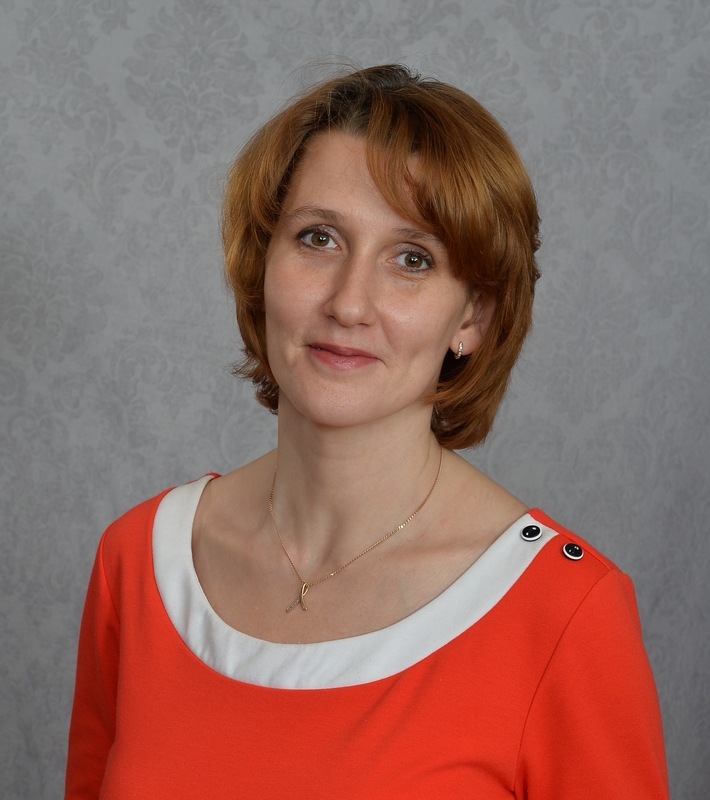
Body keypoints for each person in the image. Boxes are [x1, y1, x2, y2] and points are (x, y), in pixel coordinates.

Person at [65, 65, 669, 798]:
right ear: (261, 266)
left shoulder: (567, 612)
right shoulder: (138, 562)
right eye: (318, 238)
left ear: (473, 317)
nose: (349, 303)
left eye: (412, 259)